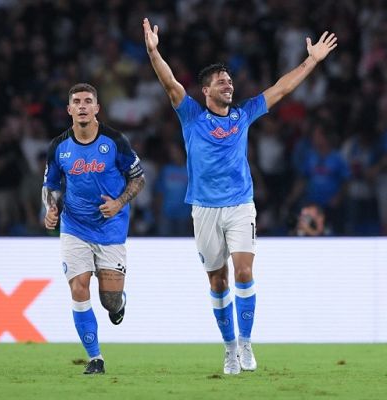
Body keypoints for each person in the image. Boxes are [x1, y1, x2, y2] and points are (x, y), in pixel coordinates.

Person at [143, 18, 337, 374]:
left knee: (244, 272)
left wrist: (311, 61)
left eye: (230, 81)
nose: (228, 85)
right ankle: (229, 346)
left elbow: (280, 89)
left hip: (239, 205)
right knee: (218, 281)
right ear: (206, 90)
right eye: (221, 82)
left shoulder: (244, 114)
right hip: (203, 208)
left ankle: (246, 344)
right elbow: (169, 82)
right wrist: (154, 52)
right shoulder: (191, 116)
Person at [42, 83, 145, 374]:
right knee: (79, 286)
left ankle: (118, 304)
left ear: (97, 108)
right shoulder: (59, 147)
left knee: (109, 300)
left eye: (89, 101)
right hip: (74, 226)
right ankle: (95, 357)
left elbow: (139, 178)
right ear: (69, 109)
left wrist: (119, 202)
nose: (83, 106)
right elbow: (50, 187)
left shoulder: (115, 141)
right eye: (77, 101)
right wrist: (51, 208)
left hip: (111, 228)